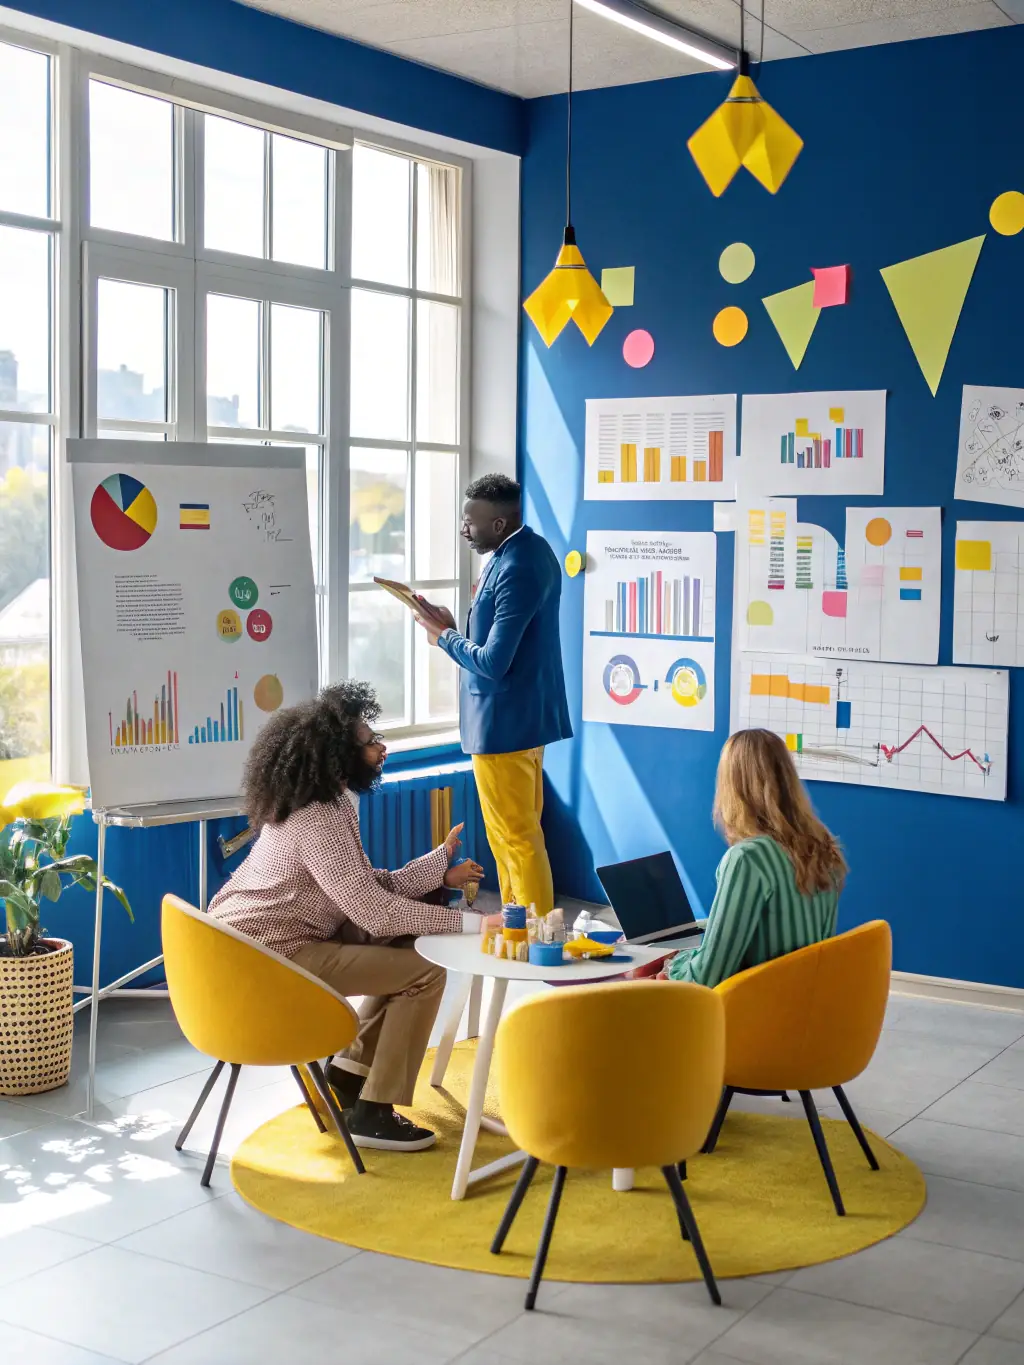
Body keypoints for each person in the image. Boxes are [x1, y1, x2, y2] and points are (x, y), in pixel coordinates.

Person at [207, 680, 495, 1152]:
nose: (381, 749)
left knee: (408, 947)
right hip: (263, 962)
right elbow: (375, 913)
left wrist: (437, 873)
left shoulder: (329, 801)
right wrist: (475, 924)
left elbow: (361, 886)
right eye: (368, 743)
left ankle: (346, 1075)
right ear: (338, 754)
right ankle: (375, 1113)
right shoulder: (316, 816)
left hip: (267, 945)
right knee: (423, 971)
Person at [414, 473, 571, 916]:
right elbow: (497, 643)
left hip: (504, 725)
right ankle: (518, 923)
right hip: (516, 720)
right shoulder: (519, 552)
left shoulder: (519, 565)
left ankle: (536, 933)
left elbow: (494, 662)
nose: (464, 529)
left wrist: (445, 638)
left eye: (471, 521)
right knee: (513, 836)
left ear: (499, 523)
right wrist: (451, 625)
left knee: (517, 838)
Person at [660, 728, 846, 989]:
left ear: (732, 786)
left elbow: (707, 977)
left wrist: (673, 965)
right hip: (802, 1008)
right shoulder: (822, 848)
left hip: (753, 1013)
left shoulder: (747, 859)